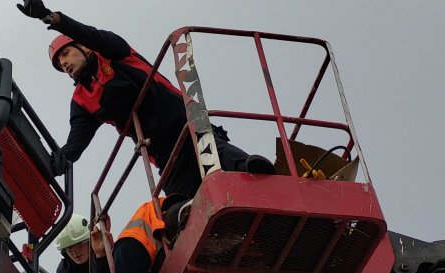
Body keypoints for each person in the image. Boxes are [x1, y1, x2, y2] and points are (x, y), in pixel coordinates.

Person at [16, 1, 275, 197]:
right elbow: (75, 143)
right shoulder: (82, 101)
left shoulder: (112, 52)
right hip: (163, 154)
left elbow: (91, 34)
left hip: (186, 125)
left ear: (83, 47)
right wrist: (46, 167)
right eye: (59, 65)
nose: (64, 64)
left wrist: (52, 18)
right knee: (178, 207)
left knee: (219, 156)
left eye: (66, 54)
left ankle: (255, 173)